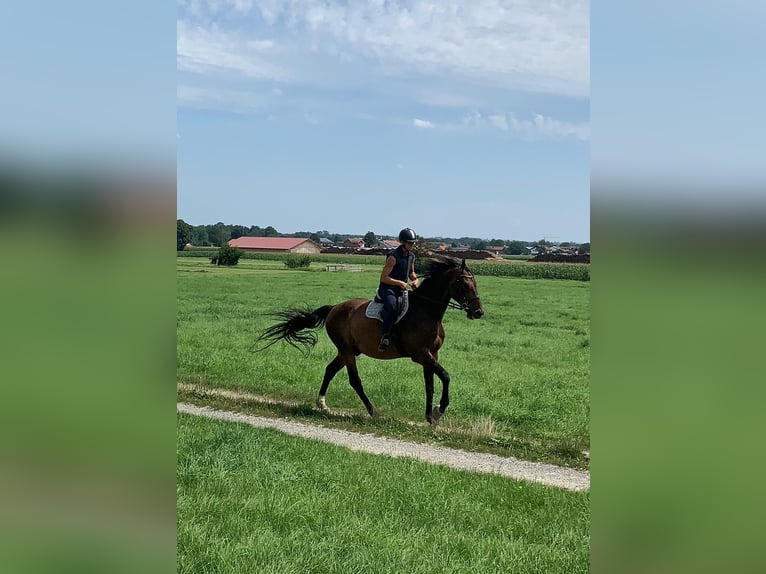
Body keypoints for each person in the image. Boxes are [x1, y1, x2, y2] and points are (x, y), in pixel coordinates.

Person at [377, 228, 420, 352]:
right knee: (393, 308)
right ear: (402, 242)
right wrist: (399, 282)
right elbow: (383, 278)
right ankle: (384, 337)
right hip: (387, 289)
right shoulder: (393, 257)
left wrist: (415, 281)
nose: (412, 245)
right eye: (409, 243)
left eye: (413, 243)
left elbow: (412, 273)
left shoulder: (411, 256)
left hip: (401, 290)